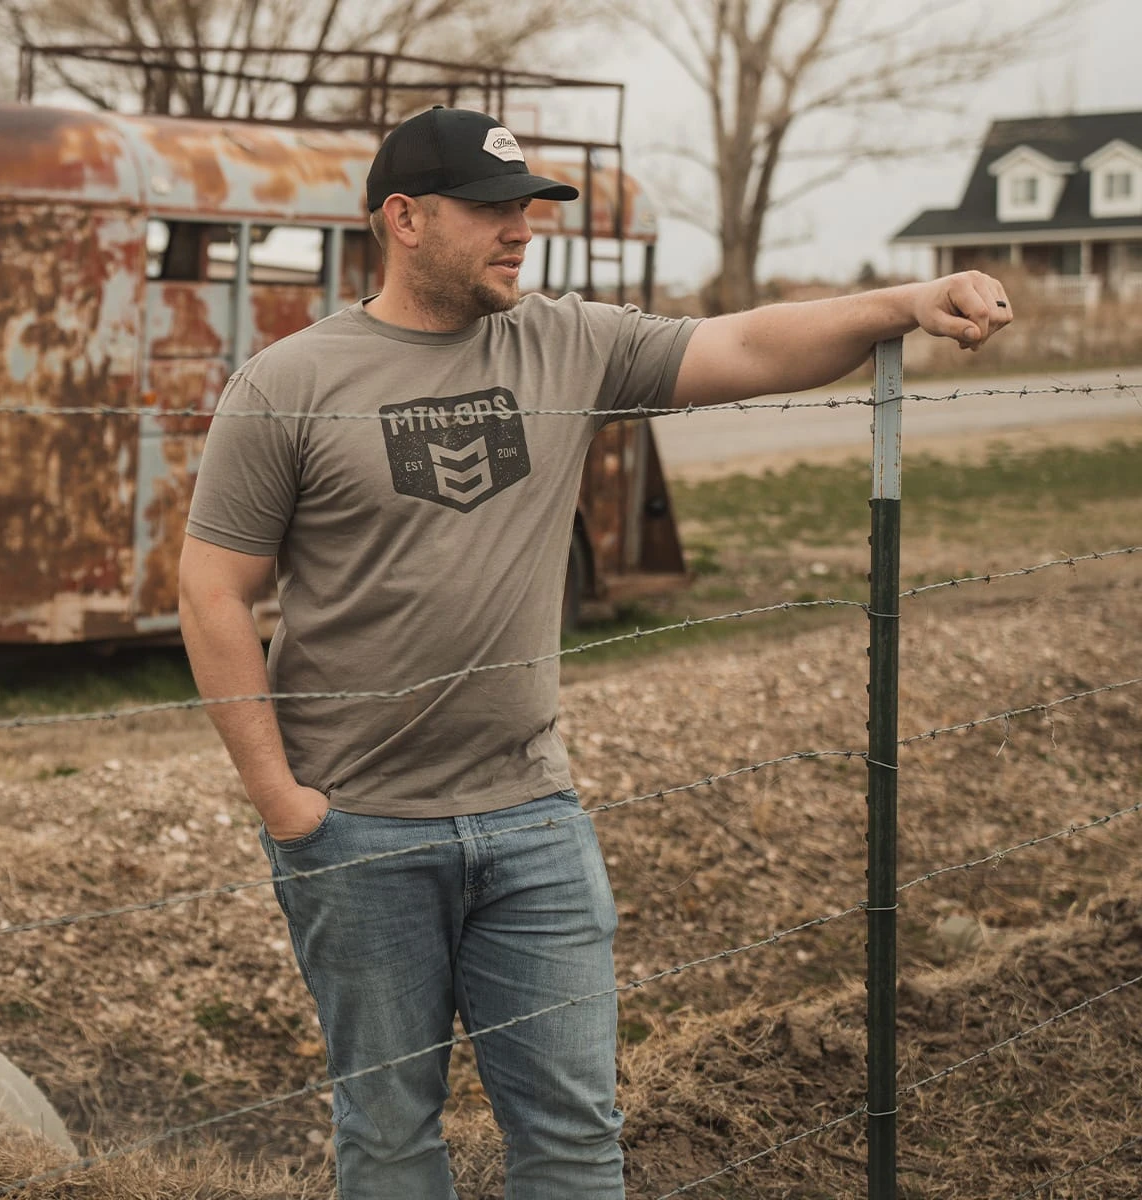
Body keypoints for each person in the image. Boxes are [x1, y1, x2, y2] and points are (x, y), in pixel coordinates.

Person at [178, 105, 1012, 1199]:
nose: (521, 230)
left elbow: (749, 345)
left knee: (574, 1138)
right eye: (492, 209)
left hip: (533, 822)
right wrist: (285, 805)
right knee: (387, 1137)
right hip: (361, 830)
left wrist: (906, 302)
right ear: (405, 219)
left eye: (528, 208)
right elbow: (212, 590)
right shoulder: (288, 384)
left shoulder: (565, 343)